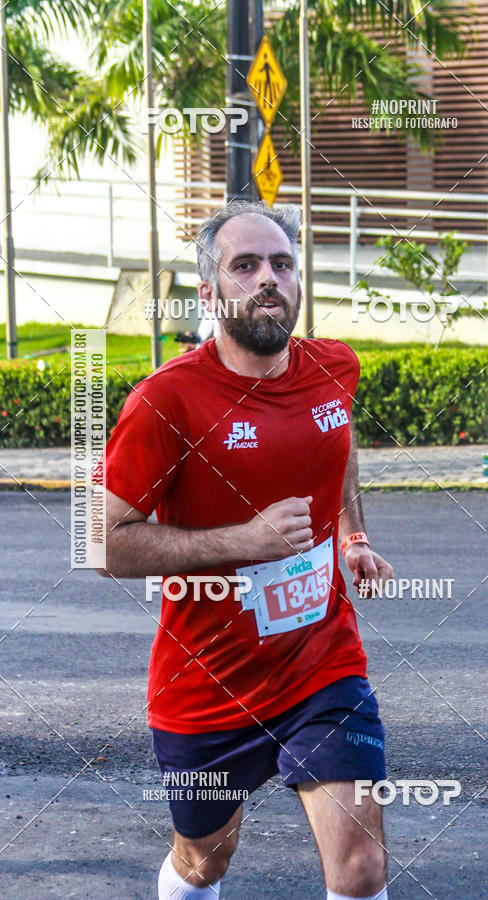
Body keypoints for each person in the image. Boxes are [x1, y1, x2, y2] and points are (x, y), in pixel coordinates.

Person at [96, 200, 394, 900]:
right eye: (246, 265)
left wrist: (352, 534)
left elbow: (338, 450)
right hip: (207, 684)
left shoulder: (334, 369)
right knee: (205, 861)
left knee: (361, 864)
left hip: (322, 663)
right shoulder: (166, 402)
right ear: (209, 291)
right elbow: (103, 542)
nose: (269, 278)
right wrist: (247, 541)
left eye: (282, 264)